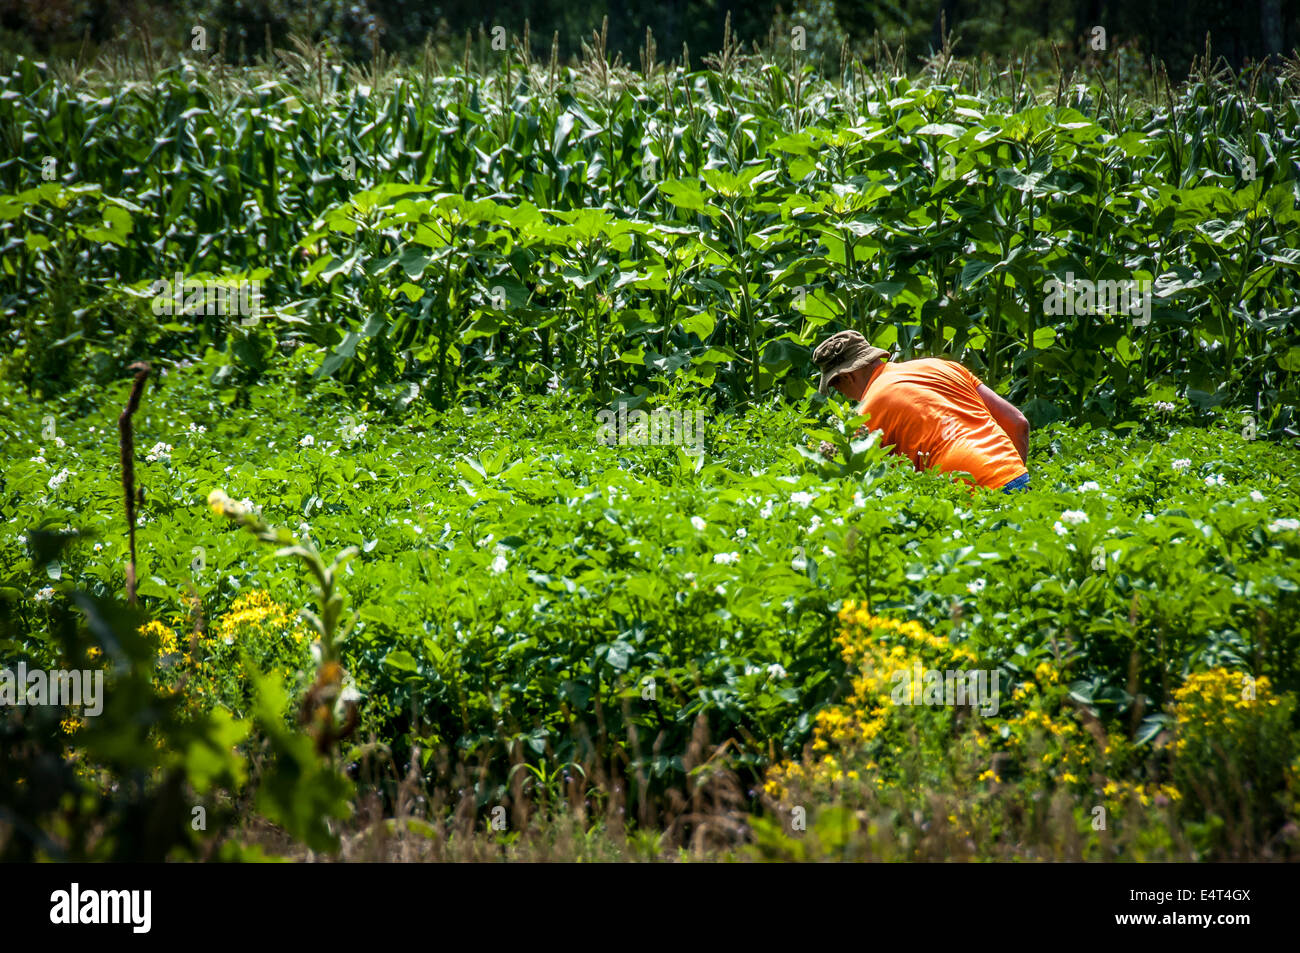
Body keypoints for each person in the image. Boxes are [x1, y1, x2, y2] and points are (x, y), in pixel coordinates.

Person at [811, 330, 1030, 493]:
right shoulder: (944, 366)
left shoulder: (867, 412)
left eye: (837, 387)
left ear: (848, 376)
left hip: (968, 492)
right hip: (1015, 474)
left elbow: (851, 479)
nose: (844, 396)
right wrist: (1009, 479)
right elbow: (1018, 423)